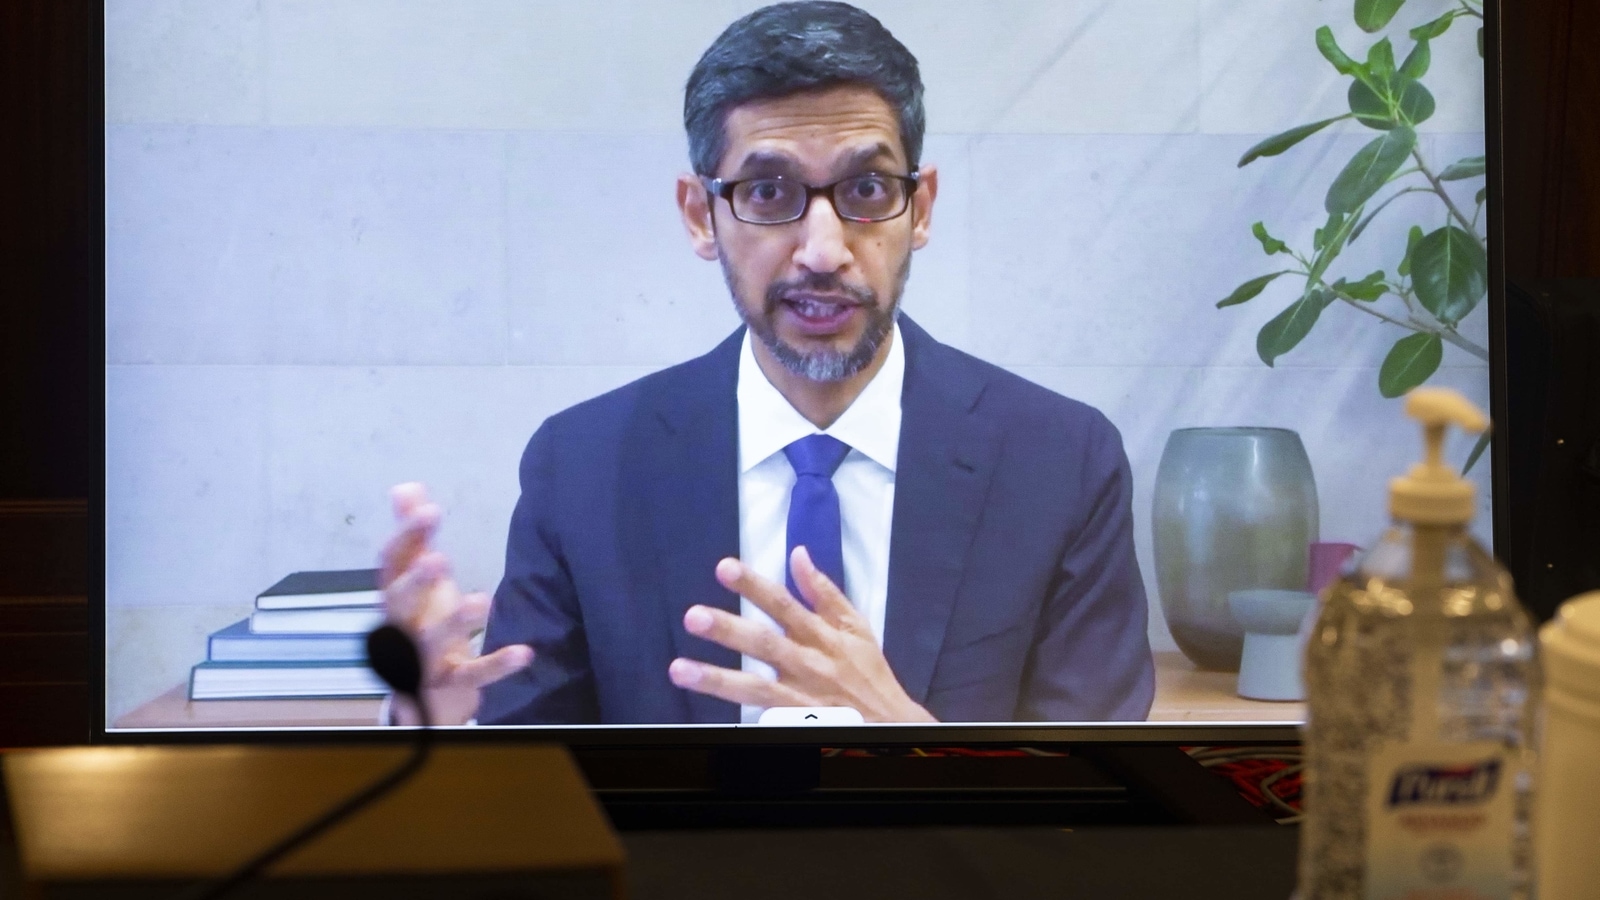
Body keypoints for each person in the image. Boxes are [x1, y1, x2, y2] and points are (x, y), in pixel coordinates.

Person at [380, 1, 1155, 726]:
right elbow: (537, 804)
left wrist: (909, 740)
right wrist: (436, 729)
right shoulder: (581, 467)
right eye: (769, 189)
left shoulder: (1060, 464)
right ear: (700, 215)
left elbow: (1097, 827)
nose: (823, 250)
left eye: (867, 188)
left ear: (920, 209)